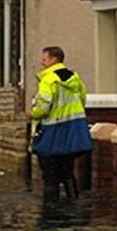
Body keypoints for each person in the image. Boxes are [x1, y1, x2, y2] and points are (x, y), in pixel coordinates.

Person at [30, 46, 94, 200]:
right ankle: (73, 203)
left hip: (52, 132)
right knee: (67, 171)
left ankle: (51, 211)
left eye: (44, 59)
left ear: (53, 59)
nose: (42, 62)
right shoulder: (73, 77)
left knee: (50, 174)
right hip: (72, 131)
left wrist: (33, 113)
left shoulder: (48, 79)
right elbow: (82, 99)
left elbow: (43, 107)